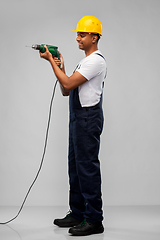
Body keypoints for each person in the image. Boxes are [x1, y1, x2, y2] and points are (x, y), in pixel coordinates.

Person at [40, 15, 107, 236]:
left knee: (87, 168)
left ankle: (94, 220)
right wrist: (62, 66)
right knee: (75, 168)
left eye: (82, 34)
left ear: (94, 37)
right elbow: (66, 90)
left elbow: (67, 82)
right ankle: (78, 213)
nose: (77, 38)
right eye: (77, 34)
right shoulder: (84, 62)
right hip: (78, 117)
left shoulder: (96, 60)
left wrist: (51, 61)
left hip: (88, 118)